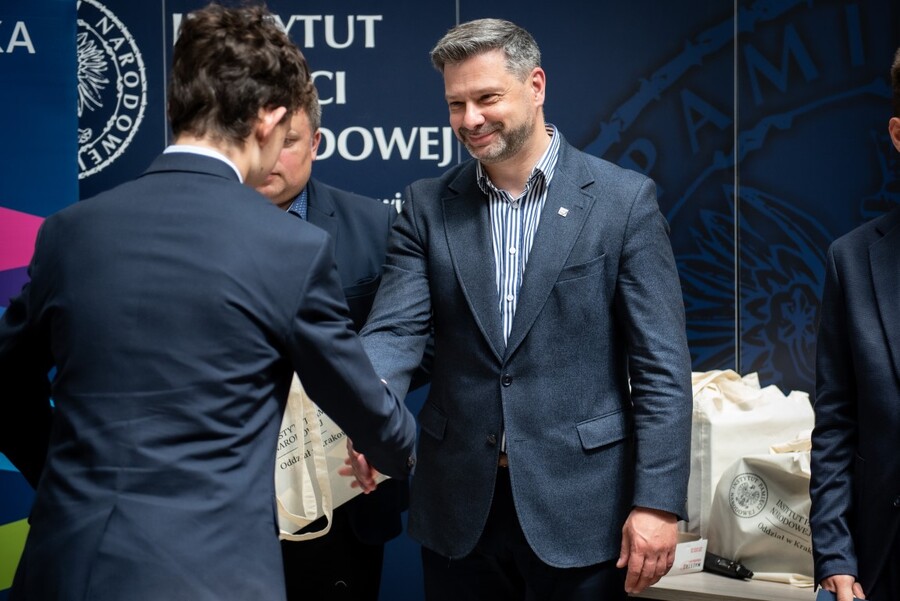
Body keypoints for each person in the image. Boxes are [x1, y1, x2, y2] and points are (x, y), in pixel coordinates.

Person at [0, 5, 416, 601]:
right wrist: (397, 447)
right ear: (269, 119)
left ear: (174, 108)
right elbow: (374, 420)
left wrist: (69, 483)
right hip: (213, 571)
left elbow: (7, 383)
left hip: (68, 564)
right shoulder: (290, 247)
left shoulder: (69, 231)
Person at [350, 18, 692, 600]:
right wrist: (368, 414)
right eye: (455, 104)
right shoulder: (426, 206)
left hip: (583, 506)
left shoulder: (622, 202)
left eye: (487, 98)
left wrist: (657, 502)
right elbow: (394, 331)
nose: (469, 119)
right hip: (459, 506)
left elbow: (661, 368)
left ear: (536, 85)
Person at [255, 90, 407, 600]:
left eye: (289, 142)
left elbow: (416, 339)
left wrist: (367, 404)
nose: (271, 157)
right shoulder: (198, 230)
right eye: (258, 141)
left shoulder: (376, 225)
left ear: (316, 143)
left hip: (344, 483)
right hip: (228, 493)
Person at [809, 48, 900, 601]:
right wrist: (835, 551)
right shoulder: (852, 259)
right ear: (898, 134)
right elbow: (837, 422)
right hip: (883, 560)